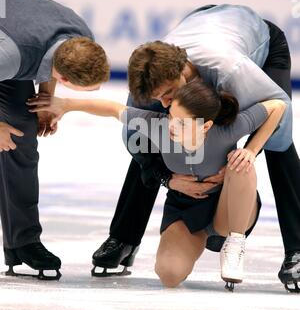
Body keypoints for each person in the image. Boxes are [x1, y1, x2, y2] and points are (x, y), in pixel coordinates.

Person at [93, 4, 300, 293]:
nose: (164, 103)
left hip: (259, 43)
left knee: (278, 145)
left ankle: (297, 249)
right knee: (155, 136)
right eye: (157, 98)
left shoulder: (230, 72)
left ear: (182, 70)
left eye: (167, 93)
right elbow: (137, 144)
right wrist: (167, 176)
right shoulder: (150, 82)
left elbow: (279, 117)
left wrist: (246, 154)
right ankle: (123, 238)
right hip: (203, 22)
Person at [27, 78, 286, 290]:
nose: (173, 126)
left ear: (206, 126)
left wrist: (251, 149)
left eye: (182, 123)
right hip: (185, 210)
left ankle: (236, 244)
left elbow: (277, 105)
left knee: (241, 164)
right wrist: (66, 104)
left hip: (227, 209)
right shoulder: (159, 126)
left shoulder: (227, 130)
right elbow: (112, 109)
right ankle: (195, 240)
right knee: (169, 274)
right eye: (172, 116)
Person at [0, 0, 109, 280]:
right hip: (10, 44)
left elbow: (49, 61)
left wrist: (47, 98)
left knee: (20, 135)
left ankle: (23, 242)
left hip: (13, 34)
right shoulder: (10, 56)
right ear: (64, 75)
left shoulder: (82, 36)